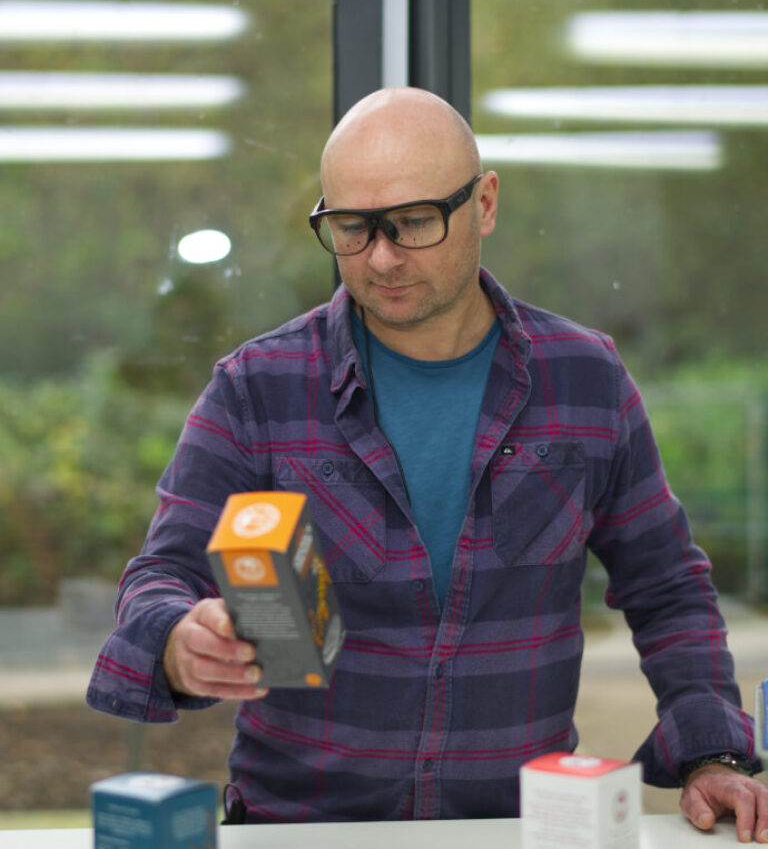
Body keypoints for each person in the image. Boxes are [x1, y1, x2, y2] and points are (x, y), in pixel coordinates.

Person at [88, 87, 768, 836]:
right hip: (302, 828)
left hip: (512, 828)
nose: (381, 257)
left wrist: (712, 753)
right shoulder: (259, 390)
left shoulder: (586, 380)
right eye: (350, 227)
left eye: (413, 222)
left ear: (484, 204)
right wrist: (177, 640)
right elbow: (161, 575)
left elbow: (667, 587)